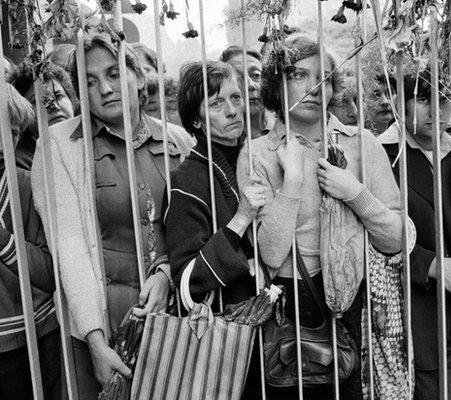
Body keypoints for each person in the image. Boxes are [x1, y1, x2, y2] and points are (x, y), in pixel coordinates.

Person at [238, 34, 403, 399]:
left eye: (325, 77)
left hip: (355, 308)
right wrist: (293, 180)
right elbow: (271, 254)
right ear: (275, 84)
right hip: (289, 312)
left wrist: (355, 193)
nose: (315, 87)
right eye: (300, 74)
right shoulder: (259, 154)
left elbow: (398, 239)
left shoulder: (361, 144)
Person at [30, 33, 194, 398]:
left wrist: (168, 272)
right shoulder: (58, 144)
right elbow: (68, 246)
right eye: (89, 82)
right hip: (98, 330)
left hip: (174, 322)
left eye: (114, 73)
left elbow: (196, 229)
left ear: (137, 76)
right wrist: (95, 340)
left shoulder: (179, 141)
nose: (104, 88)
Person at [381, 68, 451, 400]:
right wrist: (431, 265)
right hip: (419, 316)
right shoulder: (380, 155)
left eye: (444, 98)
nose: (436, 109)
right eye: (422, 98)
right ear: (397, 100)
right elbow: (373, 236)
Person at [165, 59, 264, 398]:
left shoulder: (259, 158)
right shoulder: (188, 179)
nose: (233, 111)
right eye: (217, 104)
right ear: (196, 119)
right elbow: (187, 280)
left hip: (272, 337)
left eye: (236, 98)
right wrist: (241, 220)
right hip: (223, 341)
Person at [0, 84, 61, 400]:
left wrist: (5, 241)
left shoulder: (27, 183)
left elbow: (50, 273)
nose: (3, 141)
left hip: (36, 336)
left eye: (11, 131)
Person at [9, 62, 78, 169]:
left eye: (58, 95)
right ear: (24, 112)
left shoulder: (94, 142)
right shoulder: (19, 165)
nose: (54, 106)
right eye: (37, 101)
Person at [220, 45, 274, 138]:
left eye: (256, 75)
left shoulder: (286, 126)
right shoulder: (221, 140)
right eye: (239, 78)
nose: (250, 85)